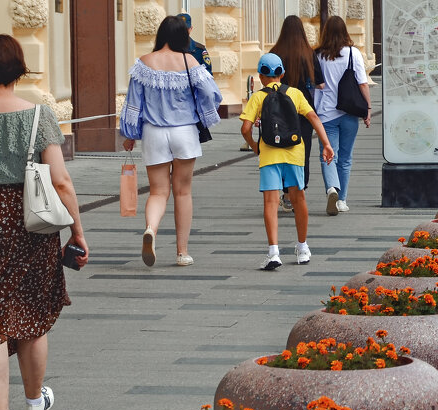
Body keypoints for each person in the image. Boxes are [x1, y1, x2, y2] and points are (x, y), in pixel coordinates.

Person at [0, 35, 87, 410]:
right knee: (31, 310)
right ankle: (34, 402)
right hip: (29, 224)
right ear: (19, 69)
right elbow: (62, 182)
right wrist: (77, 233)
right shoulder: (38, 115)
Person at [120, 15, 223, 267]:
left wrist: (130, 134)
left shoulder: (144, 63)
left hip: (153, 132)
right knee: (183, 191)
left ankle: (151, 230)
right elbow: (211, 93)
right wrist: (204, 110)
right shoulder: (189, 61)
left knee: (157, 191)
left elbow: (133, 102)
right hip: (184, 132)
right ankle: (182, 252)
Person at [240, 53, 335, 270]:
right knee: (298, 198)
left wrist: (255, 146)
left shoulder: (258, 97)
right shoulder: (295, 93)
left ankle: (273, 252)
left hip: (269, 153)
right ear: (282, 73)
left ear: (261, 76)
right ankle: (302, 248)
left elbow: (245, 128)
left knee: (271, 203)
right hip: (294, 152)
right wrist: (327, 144)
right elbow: (314, 118)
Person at [313, 16, 370, 216]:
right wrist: (368, 110)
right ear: (345, 32)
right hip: (349, 112)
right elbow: (362, 83)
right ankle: (342, 199)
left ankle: (331, 189)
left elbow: (315, 85)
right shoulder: (354, 54)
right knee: (345, 158)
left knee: (329, 155)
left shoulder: (318, 55)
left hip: (325, 113)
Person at [268, 15, 322, 212]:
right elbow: (320, 82)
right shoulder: (308, 53)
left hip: (279, 110)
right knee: (302, 152)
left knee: (281, 150)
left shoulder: (275, 52)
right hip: (303, 110)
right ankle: (299, 190)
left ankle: (286, 194)